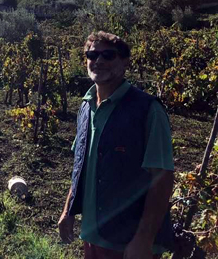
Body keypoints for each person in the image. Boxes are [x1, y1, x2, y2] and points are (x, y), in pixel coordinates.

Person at [58, 31, 174, 259]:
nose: (98, 61)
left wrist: (144, 239)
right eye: (92, 55)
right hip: (93, 234)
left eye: (108, 55)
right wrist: (67, 212)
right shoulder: (86, 105)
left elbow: (162, 179)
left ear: (124, 62)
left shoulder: (148, 110)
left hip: (128, 241)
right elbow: (81, 165)